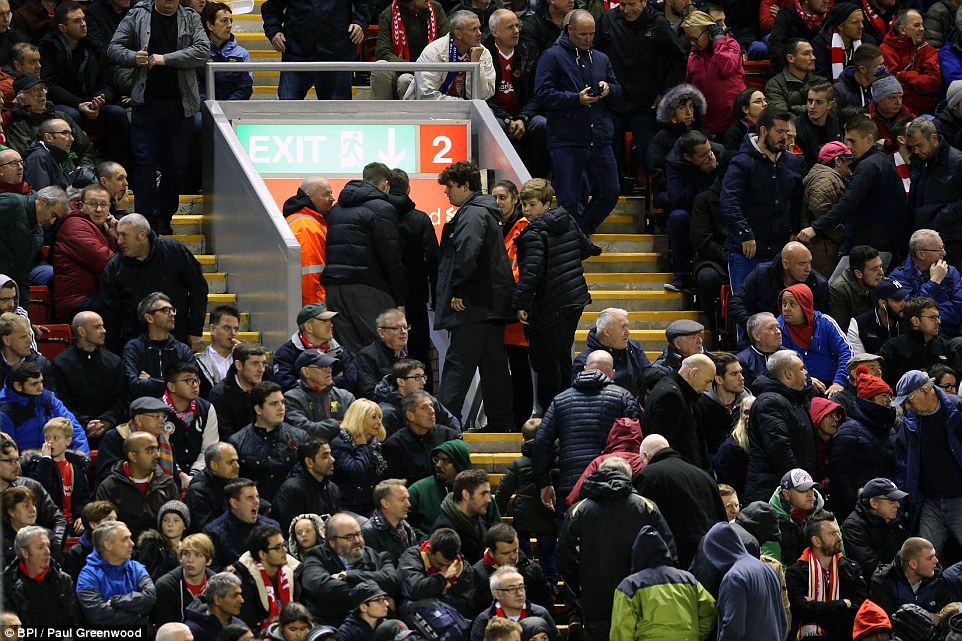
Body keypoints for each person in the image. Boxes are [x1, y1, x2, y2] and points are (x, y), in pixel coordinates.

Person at [106, 0, 208, 235]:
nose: (170, 1)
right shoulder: (138, 14)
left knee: (176, 166)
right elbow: (113, 48)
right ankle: (144, 218)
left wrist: (165, 59)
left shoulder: (190, 17)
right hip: (146, 104)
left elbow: (203, 51)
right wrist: (133, 57)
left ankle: (164, 217)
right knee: (145, 163)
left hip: (181, 106)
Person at [434, 160, 515, 430]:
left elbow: (467, 253)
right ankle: (502, 425)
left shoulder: (471, 215)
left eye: (450, 187)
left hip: (473, 305)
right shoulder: (484, 212)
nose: (446, 192)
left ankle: (442, 426)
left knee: (457, 366)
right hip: (490, 305)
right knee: (494, 369)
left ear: (465, 185)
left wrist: (459, 290)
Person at [558, 458, 676, 641]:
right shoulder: (646, 506)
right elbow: (668, 551)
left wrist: (577, 591)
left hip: (596, 598)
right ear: (630, 476)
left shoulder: (579, 511)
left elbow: (564, 557)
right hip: (641, 593)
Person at [534, 9, 621, 236]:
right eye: (583, 34)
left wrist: (608, 90)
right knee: (568, 200)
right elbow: (542, 94)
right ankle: (573, 244)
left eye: (592, 34)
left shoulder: (601, 58)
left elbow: (619, 91)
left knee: (611, 192)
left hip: (600, 138)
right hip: (566, 140)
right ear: (570, 30)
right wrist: (576, 99)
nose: (589, 39)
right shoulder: (551, 56)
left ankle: (579, 234)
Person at [533, 349, 639, 509]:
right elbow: (631, 442)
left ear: (584, 369)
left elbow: (541, 442)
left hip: (571, 484)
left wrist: (544, 482)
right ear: (613, 373)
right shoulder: (624, 397)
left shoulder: (560, 399)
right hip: (612, 482)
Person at [320, 163, 406, 355]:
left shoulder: (336, 209)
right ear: (385, 183)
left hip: (335, 288)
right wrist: (400, 298)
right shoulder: (382, 208)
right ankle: (383, 386)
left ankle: (355, 386)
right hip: (368, 288)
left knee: (349, 350)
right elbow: (390, 257)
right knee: (383, 347)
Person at [594, 0, 686, 177]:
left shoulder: (658, 24)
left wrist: (665, 93)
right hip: (613, 102)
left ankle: (658, 200)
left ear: (644, 2)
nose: (626, 10)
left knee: (651, 158)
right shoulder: (606, 20)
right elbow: (594, 55)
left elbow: (679, 60)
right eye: (622, 5)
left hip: (646, 104)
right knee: (603, 158)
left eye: (632, 4)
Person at [720, 107, 804, 291]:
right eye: (779, 132)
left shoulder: (792, 162)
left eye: (786, 132)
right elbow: (729, 202)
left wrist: (794, 228)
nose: (784, 137)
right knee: (746, 307)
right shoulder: (740, 163)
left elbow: (797, 200)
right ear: (763, 130)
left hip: (779, 250)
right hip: (747, 250)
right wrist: (744, 233)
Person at [102, 213, 210, 350]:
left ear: (142, 235)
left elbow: (198, 288)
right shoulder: (114, 267)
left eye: (124, 235)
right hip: (136, 345)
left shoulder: (174, 251)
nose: (119, 241)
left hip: (178, 339)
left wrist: (195, 330)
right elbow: (111, 314)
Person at [38, 1, 129, 164]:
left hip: (92, 104)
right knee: (71, 116)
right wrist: (79, 104)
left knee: (117, 113)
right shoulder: (48, 47)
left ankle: (119, 168)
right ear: (62, 28)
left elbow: (108, 81)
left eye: (84, 19)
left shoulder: (94, 46)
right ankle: (75, 169)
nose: (83, 24)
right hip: (65, 104)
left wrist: (99, 99)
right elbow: (49, 85)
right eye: (76, 21)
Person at [633, 434, 728, 569]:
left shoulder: (648, 477)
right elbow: (721, 518)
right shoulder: (703, 475)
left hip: (677, 562)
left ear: (646, 455)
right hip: (712, 556)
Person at [610, 526, 716, 641]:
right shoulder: (689, 580)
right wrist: (697, 634)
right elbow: (709, 609)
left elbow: (620, 631)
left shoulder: (629, 586)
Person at [294, 513, 398, 627]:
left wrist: (348, 575)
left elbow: (392, 580)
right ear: (333, 542)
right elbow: (322, 587)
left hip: (375, 625)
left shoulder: (377, 556)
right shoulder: (316, 557)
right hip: (333, 624)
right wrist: (376, 595)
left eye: (358, 534)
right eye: (349, 537)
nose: (357, 540)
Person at [743, 350, 817, 502]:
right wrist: (799, 484)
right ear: (788, 374)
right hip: (774, 492)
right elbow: (779, 449)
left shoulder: (795, 400)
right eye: (802, 368)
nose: (806, 373)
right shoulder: (771, 402)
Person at [699, 522, 788, 641]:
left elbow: (733, 629)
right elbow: (782, 621)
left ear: (717, 550)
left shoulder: (734, 577)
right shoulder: (768, 569)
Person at [785, 513, 868, 638]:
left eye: (837, 532)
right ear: (816, 541)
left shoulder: (851, 569)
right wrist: (842, 604)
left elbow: (861, 607)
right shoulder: (796, 573)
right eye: (832, 534)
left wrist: (816, 608)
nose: (839, 538)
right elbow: (801, 610)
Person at [228, 382, 308, 503]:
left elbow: (305, 476)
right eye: (274, 404)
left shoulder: (300, 437)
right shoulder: (237, 442)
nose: (281, 408)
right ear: (258, 409)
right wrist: (264, 507)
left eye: (282, 402)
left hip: (294, 502)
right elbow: (237, 484)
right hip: (255, 508)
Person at [496, 420, 558, 576]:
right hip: (549, 517)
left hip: (524, 517)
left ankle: (526, 578)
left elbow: (504, 490)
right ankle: (551, 586)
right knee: (548, 556)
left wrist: (498, 512)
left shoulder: (519, 463)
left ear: (523, 439)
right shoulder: (556, 461)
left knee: (522, 555)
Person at [407, 439, 501, 538]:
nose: (438, 465)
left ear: (459, 463)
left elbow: (497, 529)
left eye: (446, 461)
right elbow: (402, 523)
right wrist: (425, 540)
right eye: (437, 459)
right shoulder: (418, 490)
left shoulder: (481, 495)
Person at [95, 431, 180, 539]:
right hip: (122, 550)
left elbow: (179, 521)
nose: (157, 455)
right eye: (150, 450)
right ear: (133, 456)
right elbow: (104, 529)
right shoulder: (109, 487)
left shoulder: (167, 484)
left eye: (157, 449)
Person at [51, 187, 119, 321]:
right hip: (76, 301)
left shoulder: (104, 228)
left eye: (103, 205)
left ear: (109, 208)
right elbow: (106, 262)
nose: (99, 209)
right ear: (81, 205)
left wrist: (117, 238)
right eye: (92, 204)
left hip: (95, 295)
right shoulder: (74, 226)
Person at [905, 119, 962, 271]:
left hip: (951, 241)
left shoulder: (957, 161)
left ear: (934, 138)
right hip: (924, 241)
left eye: (919, 145)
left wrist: (940, 218)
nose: (916, 151)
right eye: (912, 147)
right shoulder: (919, 162)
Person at [643, 354, 717, 470]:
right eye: (707, 381)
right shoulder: (671, 396)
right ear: (693, 373)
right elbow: (664, 447)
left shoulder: (674, 390)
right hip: (680, 475)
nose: (708, 388)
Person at [76, 520, 157, 625]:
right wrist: (138, 616)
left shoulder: (136, 568)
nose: (132, 543)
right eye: (125, 539)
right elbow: (97, 615)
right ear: (108, 545)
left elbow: (150, 597)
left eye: (130, 538)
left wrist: (114, 601)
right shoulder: (88, 576)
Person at [0, 361, 88, 455]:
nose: (41, 388)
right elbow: (6, 450)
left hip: (52, 462)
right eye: (34, 384)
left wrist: (81, 460)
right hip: (22, 464)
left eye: (41, 382)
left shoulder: (49, 400)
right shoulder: (6, 411)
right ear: (18, 386)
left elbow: (74, 429)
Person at [20, 417, 90, 533]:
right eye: (47, 438)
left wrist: (82, 516)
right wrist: (46, 459)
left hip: (72, 525)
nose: (50, 442)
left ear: (68, 441)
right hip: (48, 526)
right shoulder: (38, 464)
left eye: (56, 438)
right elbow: (40, 489)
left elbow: (83, 497)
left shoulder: (77, 465)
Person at [122, 292, 197, 400]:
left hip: (177, 411)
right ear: (149, 318)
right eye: (165, 310)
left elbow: (191, 384)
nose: (172, 314)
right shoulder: (133, 348)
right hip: (145, 410)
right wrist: (175, 384)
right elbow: (133, 386)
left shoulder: (183, 349)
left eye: (172, 310)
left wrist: (151, 381)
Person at [682, 10, 745, 136]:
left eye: (695, 38)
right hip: (706, 124)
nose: (692, 43)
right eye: (689, 39)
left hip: (733, 121)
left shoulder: (730, 44)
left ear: (708, 32)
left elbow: (727, 67)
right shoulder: (693, 55)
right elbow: (688, 87)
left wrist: (718, 41)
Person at [2, 525, 81, 626]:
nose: (48, 552)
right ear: (25, 553)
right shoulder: (7, 585)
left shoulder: (64, 580)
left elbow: (74, 621)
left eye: (48, 546)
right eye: (40, 547)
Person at [889, 229, 962, 337]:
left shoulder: (950, 271)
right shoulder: (898, 278)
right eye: (938, 249)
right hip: (918, 338)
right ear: (921, 254)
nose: (944, 253)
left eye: (943, 247)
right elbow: (911, 312)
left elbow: (959, 307)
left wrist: (929, 318)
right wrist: (934, 282)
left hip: (952, 334)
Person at [371, 0, 449, 100]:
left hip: (430, 69)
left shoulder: (436, 8)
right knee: (380, 67)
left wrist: (423, 66)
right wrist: (413, 67)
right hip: (400, 70)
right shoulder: (388, 14)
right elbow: (383, 52)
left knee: (405, 81)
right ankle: (383, 113)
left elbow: (447, 41)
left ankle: (408, 114)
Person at [396, 527, 481, 619]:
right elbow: (414, 591)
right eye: (439, 564)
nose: (444, 569)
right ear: (429, 550)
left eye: (448, 565)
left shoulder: (463, 568)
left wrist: (437, 595)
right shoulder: (412, 557)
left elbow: (465, 607)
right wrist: (442, 577)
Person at [273, 303, 358, 394]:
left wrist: (307, 382)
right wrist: (333, 380)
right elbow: (286, 387)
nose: (331, 325)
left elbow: (350, 381)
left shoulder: (340, 351)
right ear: (308, 327)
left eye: (329, 320)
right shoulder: (284, 354)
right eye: (324, 321)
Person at [231, 523, 301, 632]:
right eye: (278, 547)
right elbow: (248, 626)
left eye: (284, 545)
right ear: (262, 554)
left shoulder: (292, 573)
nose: (285, 550)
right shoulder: (244, 582)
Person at [0, 186, 66, 300]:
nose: (51, 222)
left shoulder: (38, 234)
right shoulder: (12, 203)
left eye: (56, 219)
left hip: (9, 290)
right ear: (43, 201)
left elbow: (23, 276)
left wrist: (24, 313)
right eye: (53, 215)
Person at [880, 298, 962, 388]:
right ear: (915, 321)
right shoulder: (892, 348)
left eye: (938, 317)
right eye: (932, 318)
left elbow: (957, 380)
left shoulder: (946, 347)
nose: (938, 322)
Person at [161, 361, 219, 485]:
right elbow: (159, 449)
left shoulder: (206, 408)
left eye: (196, 380)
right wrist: (180, 475)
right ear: (172, 386)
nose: (195, 385)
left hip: (200, 476)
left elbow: (209, 448)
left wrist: (194, 475)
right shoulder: (157, 411)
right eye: (188, 381)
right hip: (166, 476)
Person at [203, 478, 280, 571]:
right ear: (234, 503)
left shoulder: (271, 527)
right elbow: (213, 572)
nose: (257, 502)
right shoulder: (213, 532)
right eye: (250, 498)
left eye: (257, 497)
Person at [571, 307, 651, 397]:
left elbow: (648, 377)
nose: (628, 332)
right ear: (606, 332)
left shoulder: (634, 347)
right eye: (623, 327)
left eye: (627, 326)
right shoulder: (585, 361)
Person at [382, 391, 459, 484]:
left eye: (431, 406)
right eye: (424, 408)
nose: (432, 411)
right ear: (410, 416)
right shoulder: (394, 446)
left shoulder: (449, 436)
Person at [842, 478, 911, 580]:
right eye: (892, 500)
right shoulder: (853, 527)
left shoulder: (895, 521)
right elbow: (869, 567)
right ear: (874, 503)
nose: (898, 505)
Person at [329, 399, 387, 515]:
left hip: (372, 507)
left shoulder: (375, 445)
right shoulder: (340, 444)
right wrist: (363, 447)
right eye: (374, 417)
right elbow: (356, 473)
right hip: (348, 509)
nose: (379, 422)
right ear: (359, 418)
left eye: (380, 417)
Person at [282, 349, 355, 442]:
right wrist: (338, 424)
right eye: (322, 367)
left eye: (330, 366)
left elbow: (357, 426)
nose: (329, 370)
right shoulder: (292, 398)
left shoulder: (346, 397)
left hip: (343, 453)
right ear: (305, 372)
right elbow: (303, 430)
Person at [283, 177, 335, 307]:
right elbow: (310, 276)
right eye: (325, 194)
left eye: (331, 193)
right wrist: (316, 310)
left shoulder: (304, 219)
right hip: (313, 305)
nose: (332, 198)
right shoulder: (306, 226)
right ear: (309, 196)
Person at [372, 359, 459, 436]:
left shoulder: (430, 402)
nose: (423, 382)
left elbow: (452, 425)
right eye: (417, 377)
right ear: (401, 382)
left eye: (423, 377)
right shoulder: (387, 412)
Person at [469, 566, 557, 641]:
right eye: (512, 589)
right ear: (497, 594)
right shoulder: (484, 620)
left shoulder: (540, 613)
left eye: (521, 587)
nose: (519, 593)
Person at [272, 438, 340, 533]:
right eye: (325, 457)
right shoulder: (291, 490)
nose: (332, 460)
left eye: (330, 454)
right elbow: (292, 533)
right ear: (309, 462)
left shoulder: (332, 488)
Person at [881, 10, 941, 117]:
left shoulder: (928, 50)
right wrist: (919, 80)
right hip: (894, 114)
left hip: (925, 113)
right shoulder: (886, 50)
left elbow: (933, 83)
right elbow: (892, 88)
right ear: (902, 30)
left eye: (922, 25)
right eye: (917, 25)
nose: (922, 29)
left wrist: (904, 75)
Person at [870, 537, 949, 615]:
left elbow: (944, 618)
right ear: (913, 564)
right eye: (930, 558)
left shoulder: (939, 579)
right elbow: (887, 620)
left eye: (934, 555)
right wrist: (929, 617)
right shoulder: (883, 581)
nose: (936, 561)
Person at [152, 533, 216, 626]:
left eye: (198, 555)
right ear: (180, 558)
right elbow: (165, 626)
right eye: (186, 554)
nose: (190, 560)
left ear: (209, 561)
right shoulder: (165, 586)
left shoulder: (217, 585)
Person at [430, 468, 492, 564]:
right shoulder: (444, 529)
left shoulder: (478, 520)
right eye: (483, 494)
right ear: (466, 495)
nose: (488, 499)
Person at [198, 2, 253, 102]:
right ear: (210, 25)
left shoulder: (242, 54)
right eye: (224, 21)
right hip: (204, 110)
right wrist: (210, 107)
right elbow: (196, 87)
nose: (230, 25)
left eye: (231, 21)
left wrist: (228, 106)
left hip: (233, 110)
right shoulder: (198, 52)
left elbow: (245, 88)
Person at [184, 442, 244, 533]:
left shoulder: (231, 480)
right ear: (214, 465)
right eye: (231, 462)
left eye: (237, 461)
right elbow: (208, 529)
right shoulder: (198, 491)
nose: (237, 466)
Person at [355, 309, 411, 400]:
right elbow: (370, 393)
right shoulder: (366, 357)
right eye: (396, 328)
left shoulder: (408, 358)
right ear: (381, 333)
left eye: (405, 327)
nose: (403, 331)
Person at [765, 39, 829, 116]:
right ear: (790, 58)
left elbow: (831, 110)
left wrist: (795, 109)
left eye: (812, 53)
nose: (813, 57)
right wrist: (817, 110)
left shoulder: (822, 82)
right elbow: (781, 117)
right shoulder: (775, 84)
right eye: (806, 53)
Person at [361, 479, 417, 564]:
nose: (408, 504)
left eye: (407, 499)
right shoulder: (369, 533)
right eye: (402, 500)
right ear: (385, 503)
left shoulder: (407, 528)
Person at [64, 500, 116, 582]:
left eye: (115, 519)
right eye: (109, 520)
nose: (115, 524)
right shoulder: (76, 553)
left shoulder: (120, 547)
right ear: (93, 524)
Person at [184, 572, 247, 638]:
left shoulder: (240, 626)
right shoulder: (192, 632)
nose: (241, 600)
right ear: (217, 600)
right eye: (235, 596)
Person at [812, 3, 866, 80]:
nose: (861, 26)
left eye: (861, 21)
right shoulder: (821, 44)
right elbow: (821, 77)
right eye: (855, 22)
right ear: (840, 26)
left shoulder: (867, 42)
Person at [197, 305, 242, 396]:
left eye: (236, 329)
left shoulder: (243, 359)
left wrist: (245, 354)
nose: (233, 333)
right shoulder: (199, 363)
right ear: (212, 329)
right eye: (227, 328)